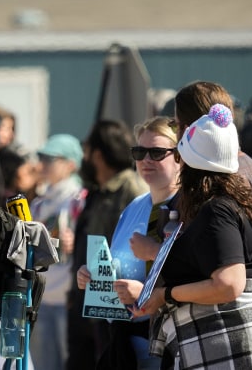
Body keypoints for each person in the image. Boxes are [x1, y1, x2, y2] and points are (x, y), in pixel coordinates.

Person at [133, 104, 252, 368]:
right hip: (227, 345)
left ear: (188, 162)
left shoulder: (217, 209)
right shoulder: (230, 203)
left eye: (179, 156)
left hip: (227, 347)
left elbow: (229, 284)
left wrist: (166, 295)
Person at [76, 116, 180, 369]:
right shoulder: (134, 206)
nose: (145, 160)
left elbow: (195, 273)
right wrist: (94, 276)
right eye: (139, 151)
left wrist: (146, 294)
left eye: (156, 152)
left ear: (180, 157)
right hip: (126, 341)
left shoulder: (191, 206)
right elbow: (117, 265)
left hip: (172, 344)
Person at [172, 80, 252, 290]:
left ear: (189, 128)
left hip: (231, 311)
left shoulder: (234, 177)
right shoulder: (238, 171)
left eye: (175, 125)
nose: (176, 134)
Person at [67, 119, 147, 370]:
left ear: (98, 156)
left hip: (116, 308)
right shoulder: (97, 191)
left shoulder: (132, 189)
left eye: (88, 152)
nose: (85, 159)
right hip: (88, 305)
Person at [28, 134, 84, 370]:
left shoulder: (79, 199)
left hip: (67, 299)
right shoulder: (38, 203)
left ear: (70, 164)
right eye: (41, 157)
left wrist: (76, 242)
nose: (42, 163)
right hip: (40, 299)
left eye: (50, 158)